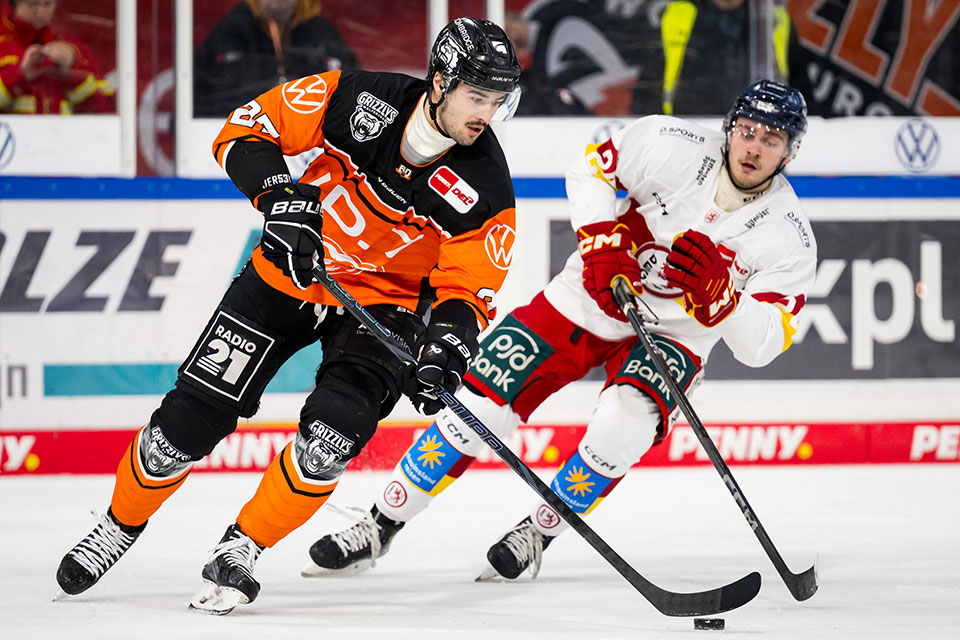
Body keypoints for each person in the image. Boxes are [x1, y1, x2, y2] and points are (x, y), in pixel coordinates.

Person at [55, 17, 521, 614]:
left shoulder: (486, 184)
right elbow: (246, 128)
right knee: (185, 427)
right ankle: (118, 527)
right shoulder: (360, 96)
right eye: (477, 96)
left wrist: (448, 345)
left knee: (331, 438)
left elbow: (470, 286)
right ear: (439, 81)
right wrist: (279, 195)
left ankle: (241, 549)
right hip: (291, 272)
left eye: (498, 100)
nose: (486, 112)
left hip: (385, 306)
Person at [304, 79, 817, 581]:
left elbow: (764, 343)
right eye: (747, 131)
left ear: (789, 153)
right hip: (587, 299)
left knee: (625, 421)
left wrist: (724, 301)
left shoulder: (788, 236)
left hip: (677, 335)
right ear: (729, 129)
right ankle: (380, 524)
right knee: (478, 402)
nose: (754, 147)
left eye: (771, 140)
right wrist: (599, 239)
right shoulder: (670, 143)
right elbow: (592, 168)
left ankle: (539, 531)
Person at [632, 0, 803, 116]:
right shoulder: (676, 15)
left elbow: (802, 92)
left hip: (758, 138)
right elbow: (646, 92)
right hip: (686, 134)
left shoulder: (773, 19)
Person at [194, 0, 357, 117]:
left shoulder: (323, 36)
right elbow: (195, 104)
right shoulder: (230, 32)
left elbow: (352, 96)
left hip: (310, 147)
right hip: (239, 139)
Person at [0, 0, 114, 114]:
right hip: (13, 131)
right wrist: (20, 75)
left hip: (64, 131)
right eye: (32, 3)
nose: (40, 11)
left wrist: (72, 72)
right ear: (13, 3)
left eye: (48, 4)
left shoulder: (76, 50)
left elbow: (104, 110)